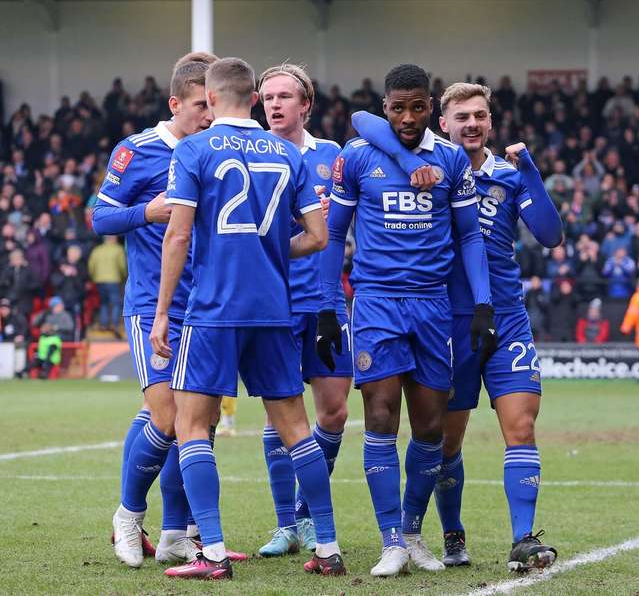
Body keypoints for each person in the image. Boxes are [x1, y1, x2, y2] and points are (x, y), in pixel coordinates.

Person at [352, 80, 563, 572]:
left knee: (522, 425)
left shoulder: (507, 178)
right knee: (445, 439)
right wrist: (407, 163)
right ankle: (448, 533)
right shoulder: (431, 168)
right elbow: (365, 123)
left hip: (505, 317)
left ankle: (524, 539)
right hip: (445, 320)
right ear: (441, 123)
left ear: (489, 122)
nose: (472, 124)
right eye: (462, 116)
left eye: (480, 116)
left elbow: (551, 235)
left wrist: (528, 170)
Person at [150, 57, 342, 580]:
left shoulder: (193, 149)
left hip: (212, 311)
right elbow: (320, 237)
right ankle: (326, 545)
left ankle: (210, 553)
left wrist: (163, 311)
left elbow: (179, 235)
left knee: (191, 427)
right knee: (297, 430)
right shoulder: (287, 153)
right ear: (255, 98)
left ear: (210, 99)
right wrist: (272, 249)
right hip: (275, 311)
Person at [316, 65, 496, 577]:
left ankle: (414, 533)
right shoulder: (357, 157)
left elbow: (469, 237)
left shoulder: (451, 159)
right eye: (398, 107)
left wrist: (482, 304)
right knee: (378, 416)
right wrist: (329, 307)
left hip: (433, 305)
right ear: (386, 105)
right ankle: (390, 539)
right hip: (375, 303)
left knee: (431, 427)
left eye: (418, 107)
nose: (409, 117)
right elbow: (333, 235)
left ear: (431, 105)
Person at [92, 52, 229, 569]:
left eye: (213, 105)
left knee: (198, 420)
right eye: (200, 106)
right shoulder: (138, 150)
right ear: (175, 104)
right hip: (153, 303)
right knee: (167, 414)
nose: (209, 116)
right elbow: (100, 218)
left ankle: (176, 532)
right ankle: (128, 516)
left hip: (210, 303)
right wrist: (144, 212)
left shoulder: (217, 150)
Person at [254, 62, 352, 556]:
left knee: (333, 412)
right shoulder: (254, 158)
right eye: (267, 96)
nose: (274, 104)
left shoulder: (333, 157)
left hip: (326, 304)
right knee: (277, 417)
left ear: (306, 105)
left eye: (284, 96)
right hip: (273, 304)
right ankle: (286, 525)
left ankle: (308, 515)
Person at [87, 235, 127, 335]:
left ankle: (104, 324)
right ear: (113, 239)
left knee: (103, 303)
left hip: (99, 280)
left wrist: (94, 277)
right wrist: (124, 276)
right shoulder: (118, 249)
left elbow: (91, 266)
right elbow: (122, 266)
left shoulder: (97, 250)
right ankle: (114, 324)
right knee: (116, 303)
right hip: (114, 279)